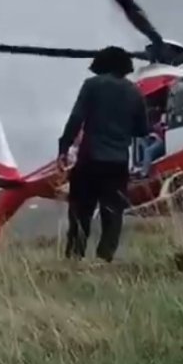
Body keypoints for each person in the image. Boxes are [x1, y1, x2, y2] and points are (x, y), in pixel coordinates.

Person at [57, 46, 149, 262]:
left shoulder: (92, 85)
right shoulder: (135, 92)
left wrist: (63, 148)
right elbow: (142, 130)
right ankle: (104, 259)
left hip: (89, 159)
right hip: (118, 163)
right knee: (113, 214)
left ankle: (75, 257)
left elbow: (76, 118)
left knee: (81, 212)